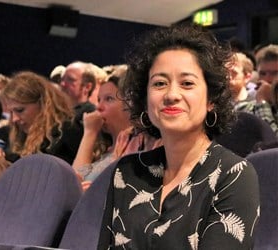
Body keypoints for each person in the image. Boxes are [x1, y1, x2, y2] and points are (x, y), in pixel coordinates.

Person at [97, 24, 260, 249]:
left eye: (187, 83)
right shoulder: (127, 171)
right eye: (159, 83)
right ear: (145, 100)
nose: (172, 95)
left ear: (211, 99)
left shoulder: (234, 175)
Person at [0, 71, 83, 166]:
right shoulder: (12, 136)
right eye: (11, 112)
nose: (14, 119)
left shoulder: (66, 132)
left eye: (20, 110)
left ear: (43, 104)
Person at [236, 44, 278, 135]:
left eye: (275, 73)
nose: (267, 79)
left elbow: (272, 143)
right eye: (262, 73)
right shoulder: (243, 109)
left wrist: (262, 103)